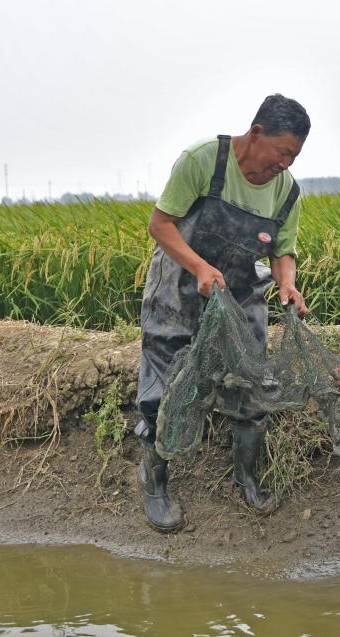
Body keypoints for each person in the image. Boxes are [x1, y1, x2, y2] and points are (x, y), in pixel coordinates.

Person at [135, 94, 311, 532]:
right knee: (163, 391)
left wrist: (286, 282)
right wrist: (198, 266)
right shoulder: (204, 161)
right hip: (178, 292)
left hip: (239, 298)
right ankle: (155, 484)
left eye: (294, 156)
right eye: (282, 151)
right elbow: (161, 225)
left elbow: (283, 251)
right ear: (256, 135)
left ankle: (246, 477)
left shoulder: (286, 190)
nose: (285, 163)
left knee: (252, 387)